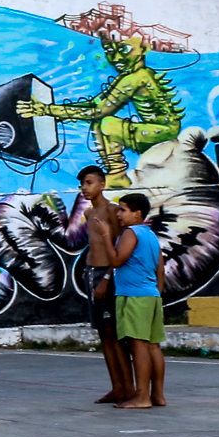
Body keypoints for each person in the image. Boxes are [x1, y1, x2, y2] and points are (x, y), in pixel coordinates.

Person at [75, 166, 132, 404]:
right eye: (82, 184)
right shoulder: (89, 213)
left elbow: (118, 247)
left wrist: (107, 277)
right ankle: (116, 387)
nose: (84, 188)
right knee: (102, 333)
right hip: (91, 273)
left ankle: (129, 388)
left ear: (102, 184)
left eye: (89, 183)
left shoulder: (111, 210)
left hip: (107, 274)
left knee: (114, 332)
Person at [111, 192, 166, 410]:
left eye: (123, 210)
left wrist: (105, 237)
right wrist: (156, 293)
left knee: (138, 345)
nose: (119, 214)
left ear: (137, 214)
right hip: (150, 295)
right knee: (153, 346)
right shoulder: (150, 235)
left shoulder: (131, 232)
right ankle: (157, 395)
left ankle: (142, 397)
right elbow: (160, 267)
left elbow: (116, 260)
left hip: (134, 295)